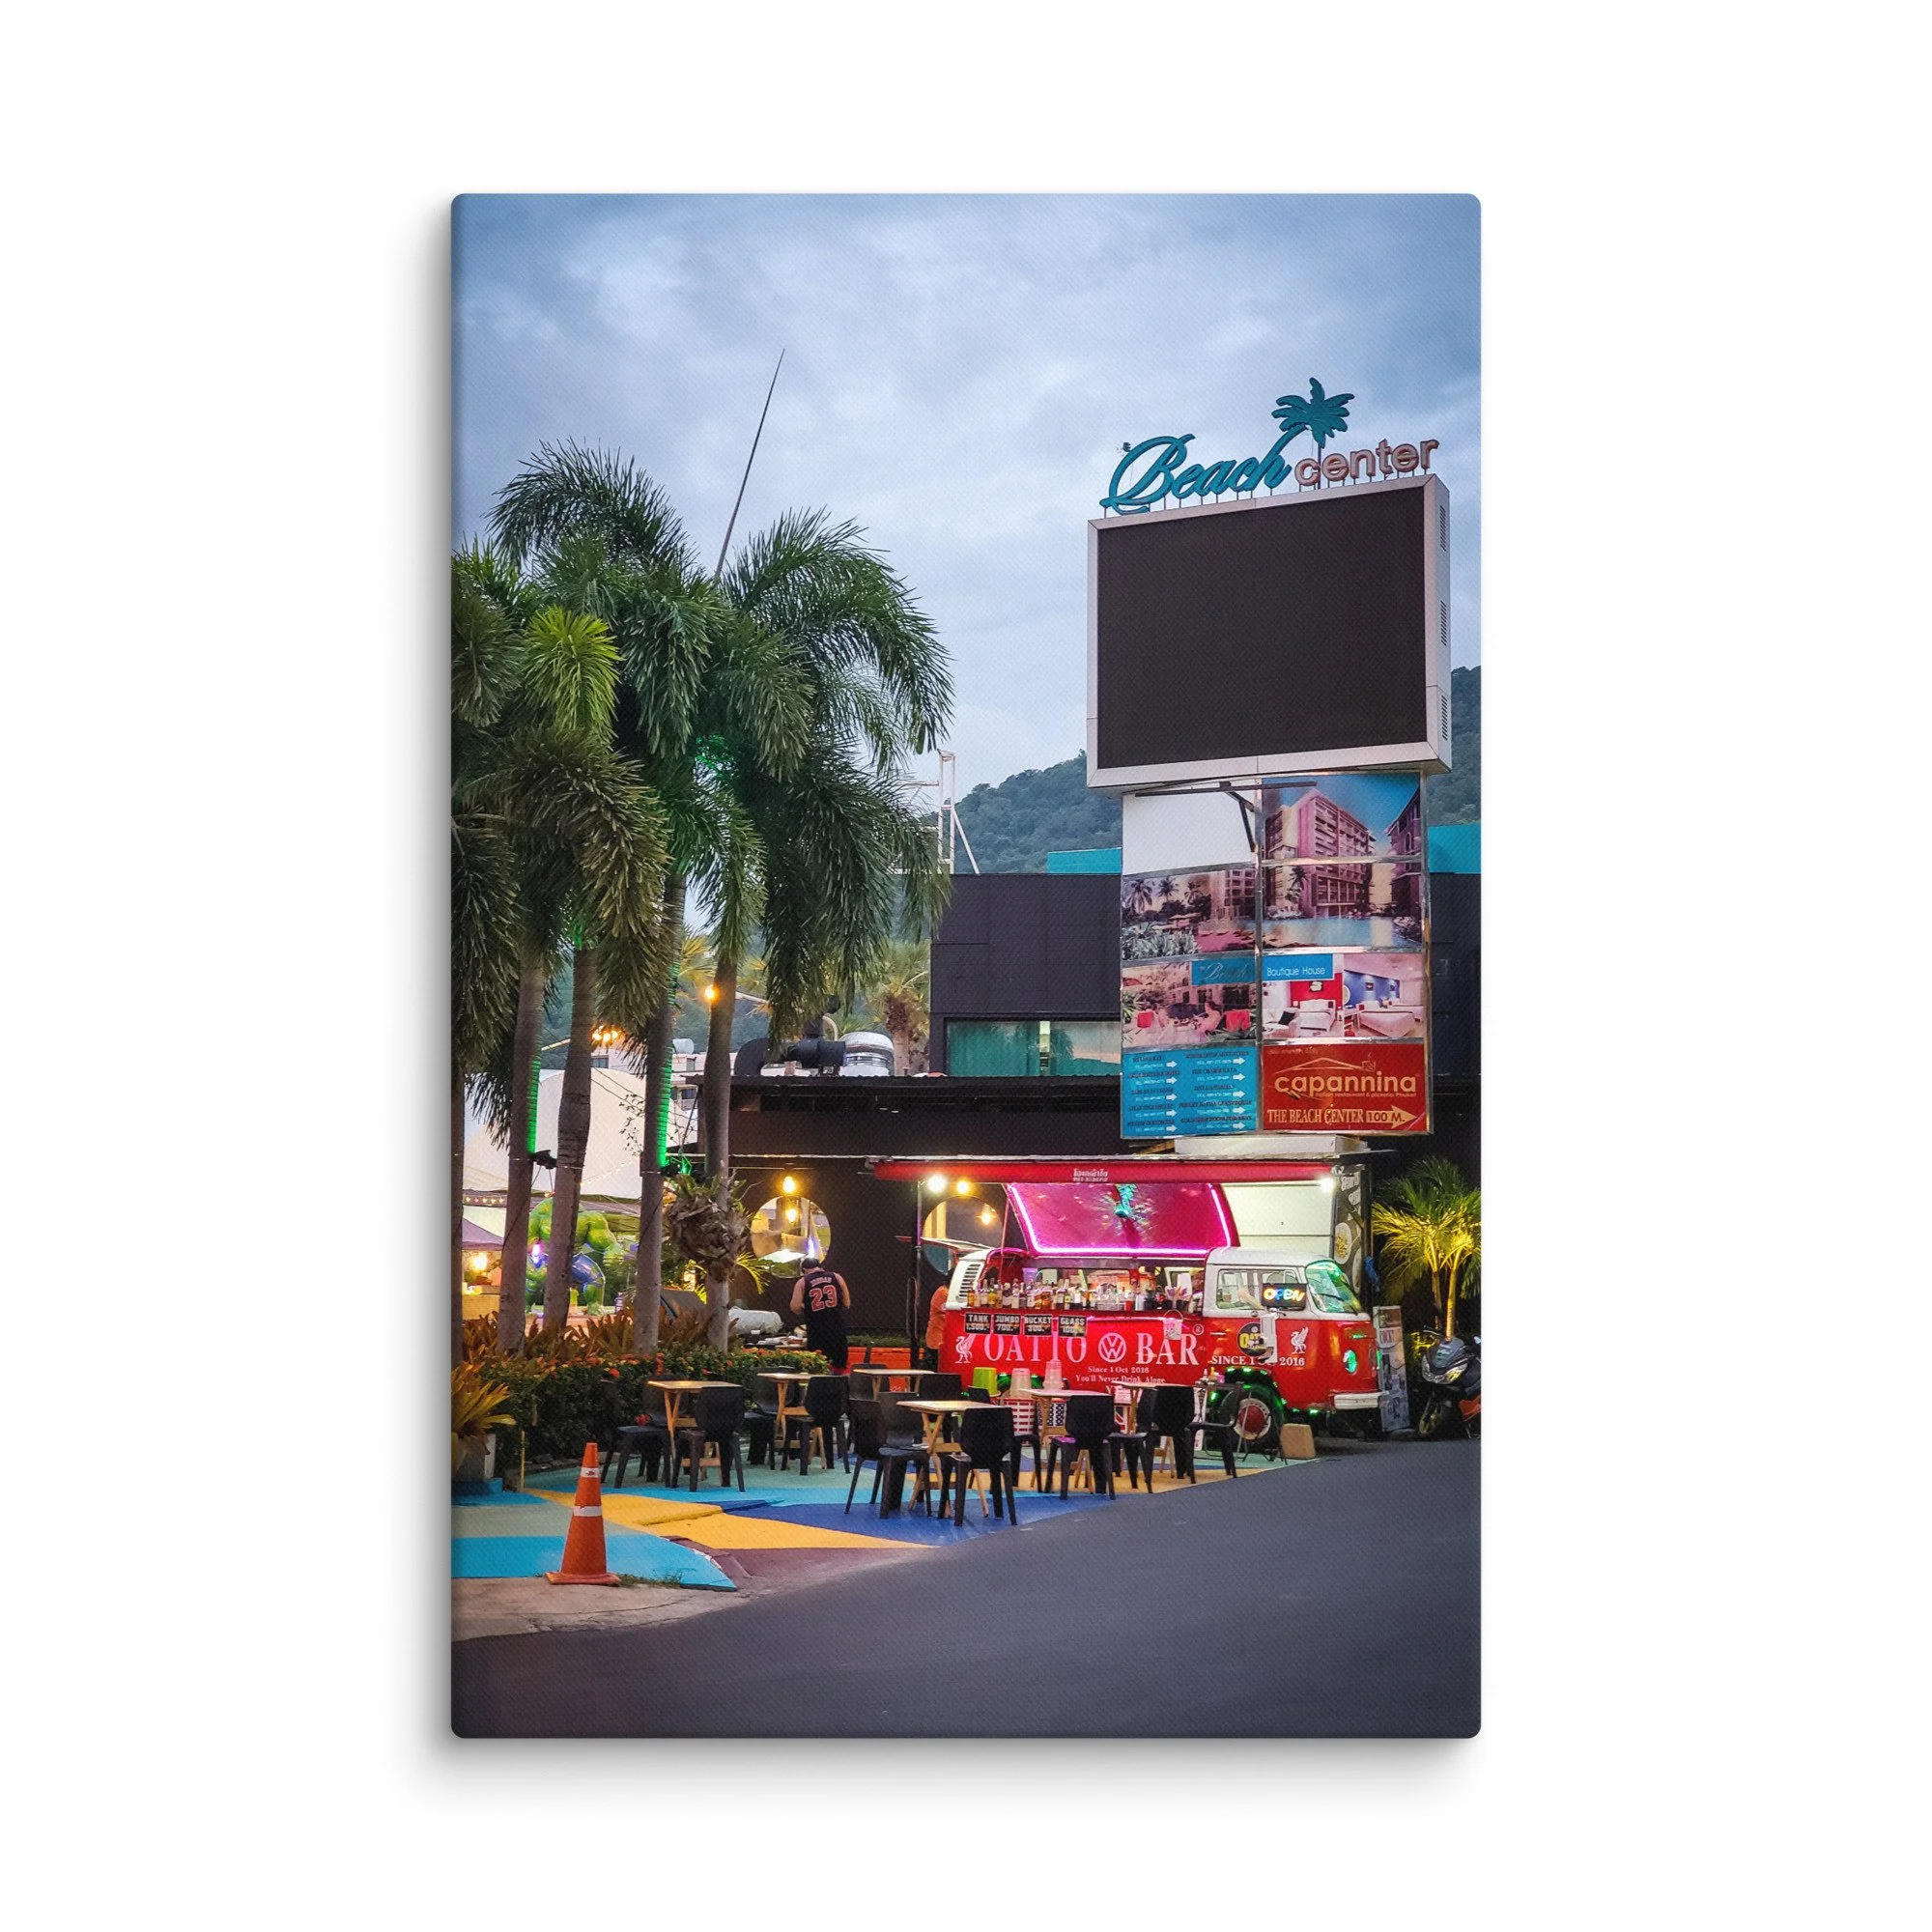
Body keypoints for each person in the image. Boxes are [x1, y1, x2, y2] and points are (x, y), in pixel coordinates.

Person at [789, 1258, 853, 1370]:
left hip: (816, 1330)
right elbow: (847, 1303)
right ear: (820, 1266)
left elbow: (795, 1307)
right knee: (839, 1365)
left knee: (818, 1366)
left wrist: (805, 1306)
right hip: (837, 1328)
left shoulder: (803, 1282)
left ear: (804, 1270)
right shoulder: (836, 1277)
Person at [924, 1276, 951, 1369]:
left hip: (943, 1335)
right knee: (936, 1365)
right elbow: (947, 1311)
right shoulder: (942, 1292)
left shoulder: (947, 1292)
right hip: (937, 1337)